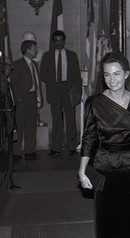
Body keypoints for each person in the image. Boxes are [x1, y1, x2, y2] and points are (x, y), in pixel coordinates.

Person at [77, 52, 130, 238]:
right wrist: (82, 171)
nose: (113, 80)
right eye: (108, 75)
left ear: (127, 74)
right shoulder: (95, 102)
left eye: (117, 74)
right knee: (106, 224)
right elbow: (89, 137)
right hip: (105, 169)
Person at [40, 30, 82, 158]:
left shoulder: (72, 55)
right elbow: (42, 74)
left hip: (69, 89)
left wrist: (77, 93)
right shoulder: (47, 56)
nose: (59, 43)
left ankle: (72, 147)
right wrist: (53, 84)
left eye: (61, 40)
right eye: (56, 40)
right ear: (53, 42)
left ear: (64, 41)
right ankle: (56, 147)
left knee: (70, 119)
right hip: (55, 90)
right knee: (56, 119)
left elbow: (77, 75)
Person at [10, 40, 41, 161]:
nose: (36, 51)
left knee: (31, 126)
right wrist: (18, 97)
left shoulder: (34, 64)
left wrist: (38, 97)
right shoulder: (18, 64)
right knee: (20, 125)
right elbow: (14, 83)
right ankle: (16, 153)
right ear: (27, 49)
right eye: (34, 48)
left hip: (32, 98)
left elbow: (36, 82)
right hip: (23, 99)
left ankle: (30, 151)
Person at [0, 57, 20, 189]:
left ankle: (9, 180)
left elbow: (12, 108)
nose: (10, 69)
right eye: (8, 66)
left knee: (10, 155)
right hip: (2, 126)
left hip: (10, 124)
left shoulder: (9, 84)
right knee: (5, 155)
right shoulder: (1, 85)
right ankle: (5, 181)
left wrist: (15, 128)